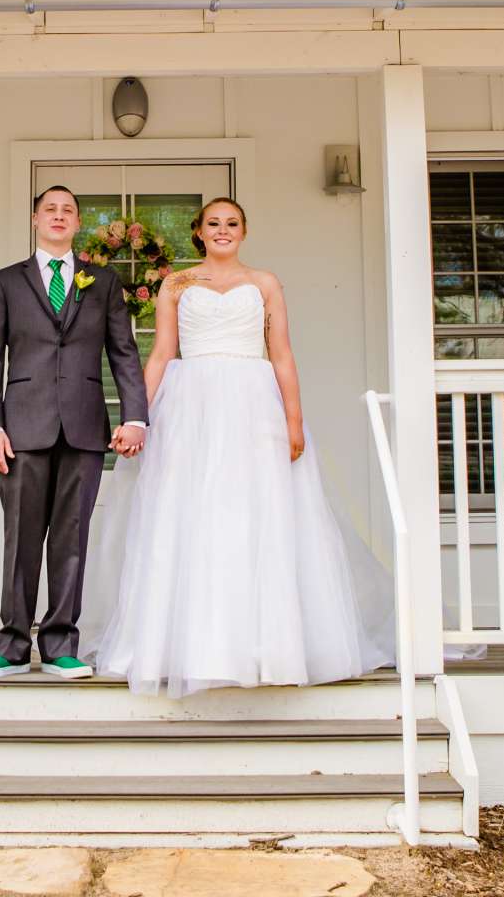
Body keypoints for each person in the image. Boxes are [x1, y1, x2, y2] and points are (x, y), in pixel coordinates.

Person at [84, 196, 397, 697]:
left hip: (255, 406)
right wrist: (137, 416)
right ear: (199, 232)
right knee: (191, 516)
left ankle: (265, 646)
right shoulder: (177, 284)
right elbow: (162, 353)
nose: (223, 230)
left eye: (232, 223)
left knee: (256, 515)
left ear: (244, 231)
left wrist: (294, 420)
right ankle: (184, 647)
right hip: (190, 408)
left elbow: (283, 354)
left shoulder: (265, 282)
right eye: (214, 224)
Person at [0, 184, 148, 678]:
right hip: (21, 429)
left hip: (86, 429)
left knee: (71, 538)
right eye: (50, 209)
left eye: (68, 210)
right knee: (21, 538)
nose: (59, 216)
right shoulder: (6, 282)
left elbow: (124, 353)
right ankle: (9, 645)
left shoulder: (104, 282)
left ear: (77, 223)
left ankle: (59, 644)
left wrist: (135, 417)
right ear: (35, 219)